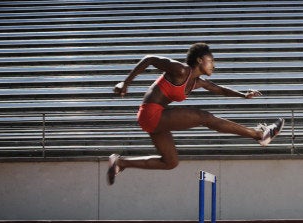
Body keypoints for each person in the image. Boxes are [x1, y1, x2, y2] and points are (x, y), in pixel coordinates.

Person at [107, 43, 284, 185]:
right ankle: (259, 135)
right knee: (204, 117)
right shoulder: (181, 70)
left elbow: (219, 90)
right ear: (200, 60)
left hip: (157, 119)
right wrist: (125, 82)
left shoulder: (197, 82)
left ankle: (121, 162)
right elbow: (149, 59)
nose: (214, 65)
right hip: (151, 113)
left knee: (170, 162)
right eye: (211, 60)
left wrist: (244, 95)